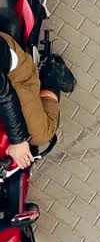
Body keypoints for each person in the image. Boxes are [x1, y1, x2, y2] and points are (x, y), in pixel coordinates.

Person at [0, 31, 74, 169]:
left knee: (40, 134)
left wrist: (18, 142)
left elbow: (4, 95)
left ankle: (52, 74)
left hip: (12, 75)